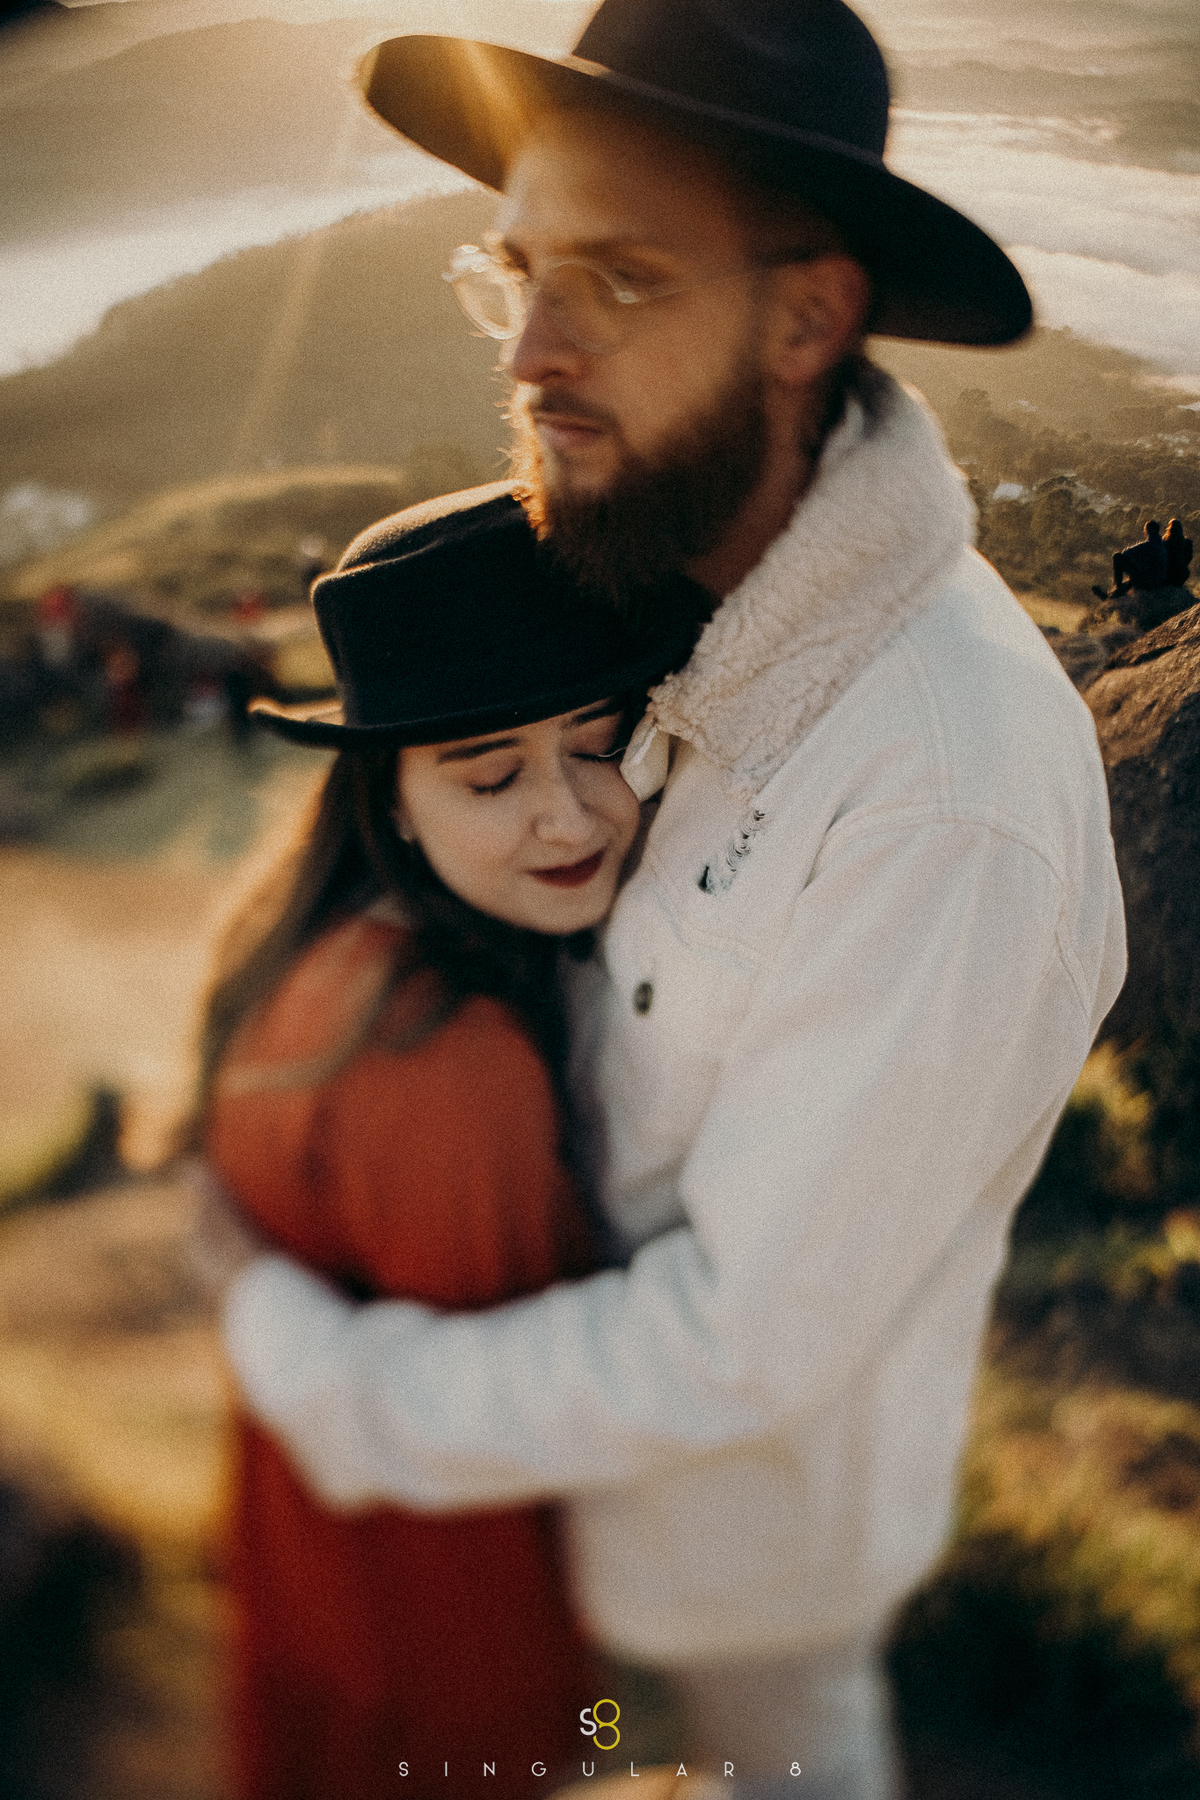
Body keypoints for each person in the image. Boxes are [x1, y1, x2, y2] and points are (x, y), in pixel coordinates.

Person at [193, 2, 1127, 1795]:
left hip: (733, 1591)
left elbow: (738, 1348)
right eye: (514, 272)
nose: (531, 355)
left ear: (807, 317)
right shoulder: (655, 583)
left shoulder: (942, 790)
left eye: (616, 281)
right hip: (552, 1539)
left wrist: (305, 1365)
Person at [188, 491, 700, 1800]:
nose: (572, 819)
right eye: (490, 775)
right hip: (445, 1648)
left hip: (312, 1587)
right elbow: (494, 1464)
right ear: (397, 802)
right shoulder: (457, 1068)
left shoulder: (308, 954)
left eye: (602, 745)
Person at [1092, 518, 1168, 600]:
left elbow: (1126, 552)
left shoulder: (1147, 545)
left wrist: (1134, 559)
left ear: (1146, 531)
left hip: (1147, 581)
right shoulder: (1163, 544)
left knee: (1117, 556)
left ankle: (1117, 588)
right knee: (1133, 580)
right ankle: (1112, 596)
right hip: (1159, 579)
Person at [1164, 517, 1193, 589]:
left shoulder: (1166, 543)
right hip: (1183, 572)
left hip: (1169, 572)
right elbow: (1189, 558)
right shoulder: (1187, 543)